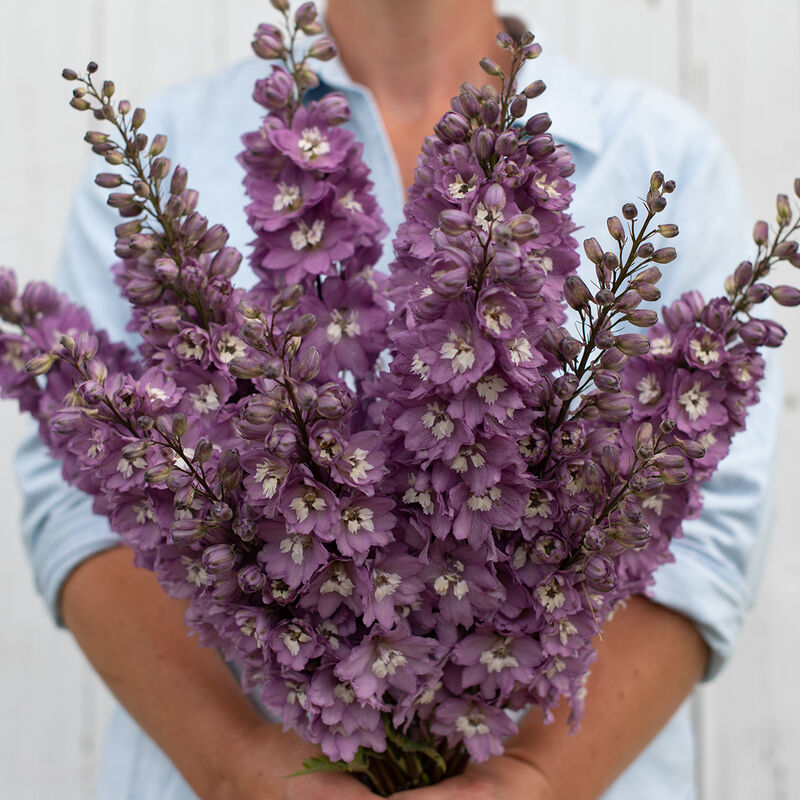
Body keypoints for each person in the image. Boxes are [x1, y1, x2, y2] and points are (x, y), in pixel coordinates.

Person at [16, 0, 780, 798]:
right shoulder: (171, 146)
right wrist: (236, 764)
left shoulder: (664, 153)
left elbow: (701, 525)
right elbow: (79, 495)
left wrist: (535, 778)